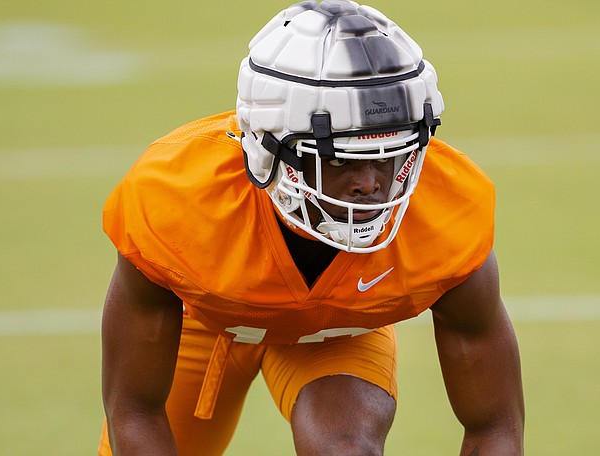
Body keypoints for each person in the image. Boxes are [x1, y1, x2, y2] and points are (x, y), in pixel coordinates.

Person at [98, 0, 525, 454]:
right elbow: (135, 411)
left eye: (389, 154)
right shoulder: (177, 197)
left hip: (337, 332)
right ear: (268, 149)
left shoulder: (447, 213)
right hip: (201, 324)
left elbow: (495, 427)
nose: (370, 184)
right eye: (341, 158)